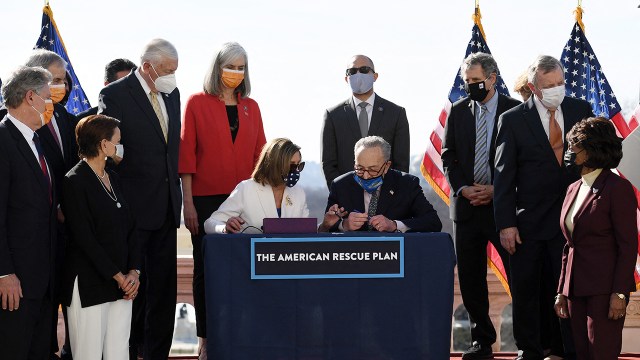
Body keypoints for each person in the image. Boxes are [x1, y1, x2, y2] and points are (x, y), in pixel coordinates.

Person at [493, 55, 593, 360]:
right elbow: (503, 176)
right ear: (535, 89)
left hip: (571, 220)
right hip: (528, 223)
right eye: (549, 86)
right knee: (526, 290)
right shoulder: (511, 119)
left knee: (568, 289)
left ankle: (569, 350)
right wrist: (506, 224)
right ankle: (531, 350)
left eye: (561, 83)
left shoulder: (580, 110)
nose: (557, 90)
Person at [179, 42, 265, 358]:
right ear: (217, 69)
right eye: (231, 66)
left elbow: (262, 155)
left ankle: (243, 334)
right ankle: (206, 338)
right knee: (206, 270)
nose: (236, 73)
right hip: (203, 199)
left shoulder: (252, 106)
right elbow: (186, 155)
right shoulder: (196, 103)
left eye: (241, 67)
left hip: (244, 198)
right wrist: (187, 203)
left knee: (244, 267)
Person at [98, 38, 182, 360]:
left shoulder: (172, 95)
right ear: (147, 67)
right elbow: (110, 150)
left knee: (163, 294)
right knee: (133, 294)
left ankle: (158, 354)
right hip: (133, 210)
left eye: (175, 70)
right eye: (166, 70)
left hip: (165, 208)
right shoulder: (115, 95)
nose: (171, 76)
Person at [440, 52, 520, 360]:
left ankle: (529, 338)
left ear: (493, 78)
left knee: (519, 274)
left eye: (475, 80)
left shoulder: (515, 111)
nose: (470, 85)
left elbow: (521, 161)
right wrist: (463, 188)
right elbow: (449, 157)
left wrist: (496, 190)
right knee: (471, 280)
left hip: (504, 209)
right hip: (467, 208)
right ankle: (481, 341)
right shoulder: (458, 111)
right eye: (466, 81)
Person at [554, 117, 638, 359]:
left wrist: (620, 293)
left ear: (592, 149)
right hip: (575, 289)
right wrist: (561, 290)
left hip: (605, 291)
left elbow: (628, 245)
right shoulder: (572, 188)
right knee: (580, 354)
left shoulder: (617, 188)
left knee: (601, 353)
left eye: (574, 147)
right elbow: (569, 245)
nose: (569, 152)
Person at [62, 114, 140, 360]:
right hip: (90, 283)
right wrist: (118, 276)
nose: (120, 146)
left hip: (122, 286)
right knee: (89, 354)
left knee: (119, 353)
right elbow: (84, 237)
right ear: (103, 144)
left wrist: (133, 273)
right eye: (118, 140)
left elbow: (131, 228)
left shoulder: (114, 178)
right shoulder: (74, 181)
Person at [24, 48, 79, 360]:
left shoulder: (67, 119)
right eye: (54, 80)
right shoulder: (17, 125)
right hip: (36, 234)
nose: (62, 86)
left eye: (63, 80)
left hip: (66, 233)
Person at [0, 66, 58, 359]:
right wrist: (4, 272)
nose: (52, 104)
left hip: (42, 281)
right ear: (31, 97)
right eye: (48, 97)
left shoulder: (37, 141)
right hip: (15, 284)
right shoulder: (3, 139)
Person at [319, 136, 441, 233]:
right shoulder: (340, 185)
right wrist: (344, 224)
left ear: (387, 166)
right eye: (360, 168)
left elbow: (433, 222)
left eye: (373, 170)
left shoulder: (407, 184)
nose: (366, 176)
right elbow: (327, 226)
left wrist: (394, 225)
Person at [321, 54, 410, 188]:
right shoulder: (333, 115)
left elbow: (401, 163)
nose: (358, 74)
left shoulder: (396, 113)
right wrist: (341, 194)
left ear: (375, 76)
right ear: (346, 78)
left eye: (364, 70)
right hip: (347, 199)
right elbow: (328, 163)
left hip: (386, 198)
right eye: (352, 71)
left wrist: (392, 196)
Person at [204, 138, 309, 234]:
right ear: (275, 164)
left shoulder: (298, 192)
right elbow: (210, 223)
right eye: (291, 165)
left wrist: (324, 226)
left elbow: (307, 231)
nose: (296, 171)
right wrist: (224, 228)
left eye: (299, 165)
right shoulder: (246, 189)